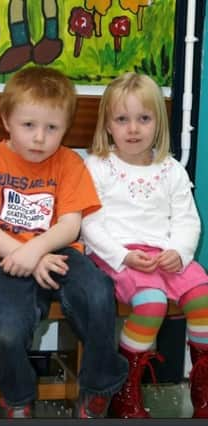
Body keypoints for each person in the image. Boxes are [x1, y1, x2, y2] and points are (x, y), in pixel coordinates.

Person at [0, 66, 129, 419]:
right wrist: (29, 257)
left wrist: (38, 251)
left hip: (61, 253)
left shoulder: (68, 163)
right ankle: (18, 396)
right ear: (7, 120)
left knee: (98, 296)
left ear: (65, 127)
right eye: (29, 125)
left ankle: (98, 386)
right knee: (6, 329)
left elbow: (70, 225)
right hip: (5, 258)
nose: (39, 138)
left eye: (52, 128)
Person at [81, 72, 208, 419]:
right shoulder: (98, 166)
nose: (133, 129)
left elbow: (186, 220)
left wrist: (180, 253)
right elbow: (89, 223)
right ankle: (126, 390)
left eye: (143, 118)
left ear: (158, 123)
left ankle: (202, 387)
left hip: (164, 255)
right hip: (118, 257)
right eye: (122, 119)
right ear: (108, 125)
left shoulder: (171, 170)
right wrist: (123, 255)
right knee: (151, 304)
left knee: (203, 296)